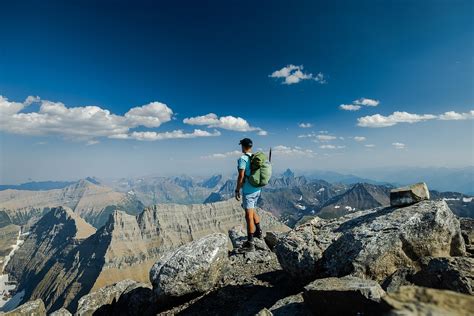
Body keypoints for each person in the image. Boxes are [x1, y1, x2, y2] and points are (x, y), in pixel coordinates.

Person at [235, 138, 263, 252]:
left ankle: (250, 244)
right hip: (257, 189)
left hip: (248, 191)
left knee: (248, 216)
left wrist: (237, 190)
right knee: (253, 210)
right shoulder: (255, 157)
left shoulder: (243, 159)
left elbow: (241, 176)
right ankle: (259, 232)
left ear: (243, 146)